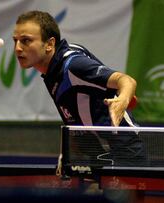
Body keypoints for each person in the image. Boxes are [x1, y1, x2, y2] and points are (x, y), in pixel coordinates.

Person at [13, 10, 147, 166]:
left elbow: (126, 80)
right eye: (15, 40)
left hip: (125, 153)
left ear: (49, 44)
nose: (17, 48)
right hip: (98, 155)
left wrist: (122, 100)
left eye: (26, 41)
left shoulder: (73, 66)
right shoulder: (52, 70)